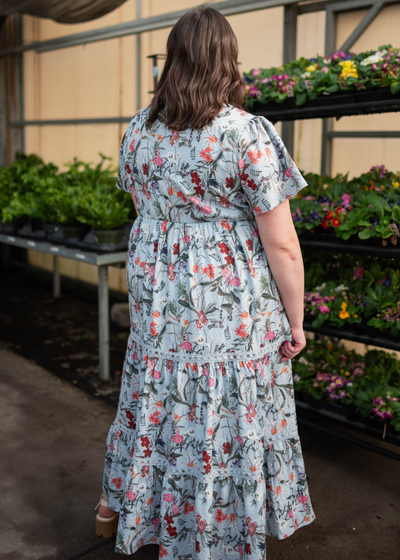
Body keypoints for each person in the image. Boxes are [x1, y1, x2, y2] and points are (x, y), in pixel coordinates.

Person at [94, 5, 316, 558]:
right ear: (226, 60)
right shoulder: (244, 134)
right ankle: (210, 531)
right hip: (226, 303)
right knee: (219, 406)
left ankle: (115, 508)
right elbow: (282, 243)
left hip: (157, 295)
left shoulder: (139, 131)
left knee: (154, 396)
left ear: (173, 60)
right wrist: (296, 319)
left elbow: (144, 206)